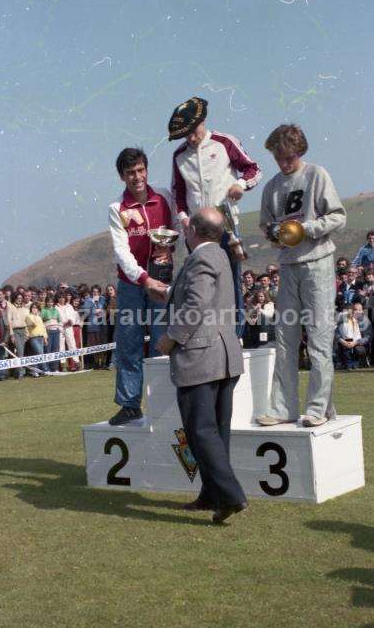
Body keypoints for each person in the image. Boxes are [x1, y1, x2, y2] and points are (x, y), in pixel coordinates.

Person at [156, 208, 247, 524]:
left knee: (200, 432)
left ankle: (231, 495)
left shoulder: (200, 259)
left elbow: (196, 304)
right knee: (217, 432)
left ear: (193, 229)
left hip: (200, 355)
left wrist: (170, 337)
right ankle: (212, 494)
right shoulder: (220, 255)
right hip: (223, 356)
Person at [257, 124, 346, 427]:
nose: (284, 164)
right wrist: (274, 233)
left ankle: (318, 408)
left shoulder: (316, 175)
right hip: (287, 265)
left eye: (289, 158)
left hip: (318, 262)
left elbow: (337, 215)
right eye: (279, 158)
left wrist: (306, 229)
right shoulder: (271, 187)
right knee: (285, 338)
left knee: (319, 338)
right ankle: (283, 408)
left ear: (300, 151)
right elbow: (266, 225)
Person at [168, 96, 261, 335]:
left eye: (193, 131)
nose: (190, 138)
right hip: (196, 231)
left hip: (226, 225)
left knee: (231, 281)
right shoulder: (179, 155)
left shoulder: (224, 142)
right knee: (202, 283)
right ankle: (208, 335)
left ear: (203, 120)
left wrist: (241, 184)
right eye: (185, 134)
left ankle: (235, 336)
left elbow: (253, 169)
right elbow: (178, 193)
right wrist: (183, 218)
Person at [108, 147, 177, 426]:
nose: (137, 177)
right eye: (130, 173)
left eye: (140, 170)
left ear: (146, 169)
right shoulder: (117, 209)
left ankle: (164, 402)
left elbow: (178, 231)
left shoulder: (164, 196)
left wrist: (170, 249)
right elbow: (121, 252)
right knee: (128, 341)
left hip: (162, 279)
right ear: (122, 177)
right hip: (131, 284)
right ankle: (129, 404)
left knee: (163, 339)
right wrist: (143, 278)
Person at [25, 302, 48, 377]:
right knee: (40, 353)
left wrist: (45, 337)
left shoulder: (39, 317)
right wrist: (34, 318)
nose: (34, 309)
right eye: (33, 307)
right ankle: (44, 370)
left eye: (36, 308)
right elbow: (32, 323)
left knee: (36, 355)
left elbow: (43, 328)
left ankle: (36, 371)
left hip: (41, 337)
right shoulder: (28, 316)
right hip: (33, 337)